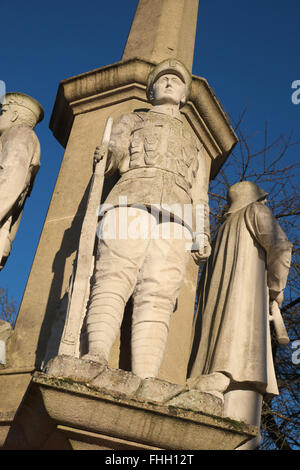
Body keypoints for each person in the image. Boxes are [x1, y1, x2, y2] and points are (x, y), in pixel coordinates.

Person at [82, 59, 211, 379]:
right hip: (130, 198)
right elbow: (114, 154)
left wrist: (202, 233)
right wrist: (106, 155)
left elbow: (200, 193)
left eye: (176, 81)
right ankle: (95, 353)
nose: (169, 83)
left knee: (160, 293)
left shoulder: (195, 143)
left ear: (183, 95)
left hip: (178, 216)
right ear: (150, 91)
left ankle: (146, 377)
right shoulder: (130, 120)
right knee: (113, 277)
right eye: (162, 79)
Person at [187, 181, 292, 449]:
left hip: (208, 354)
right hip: (243, 342)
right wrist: (274, 289)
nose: (266, 204)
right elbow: (281, 247)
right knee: (243, 426)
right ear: (255, 200)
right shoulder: (255, 212)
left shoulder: (221, 232)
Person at [0, 92, 44, 269]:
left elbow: (11, 181)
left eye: (3, 112)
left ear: (15, 116)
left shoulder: (19, 133)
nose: (0, 116)